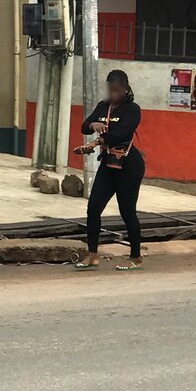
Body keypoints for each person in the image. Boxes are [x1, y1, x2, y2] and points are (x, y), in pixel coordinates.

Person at [74, 69, 145, 272]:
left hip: (129, 165)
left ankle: (136, 256)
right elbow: (84, 126)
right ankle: (92, 254)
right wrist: (93, 124)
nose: (113, 94)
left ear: (125, 89)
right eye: (110, 89)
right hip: (108, 164)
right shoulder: (103, 106)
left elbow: (121, 133)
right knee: (93, 207)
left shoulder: (132, 109)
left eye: (117, 90)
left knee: (127, 211)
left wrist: (95, 142)